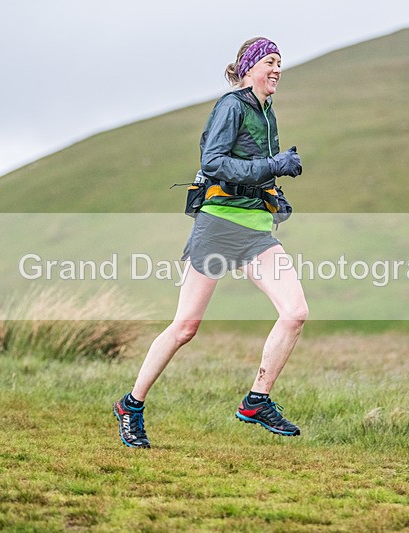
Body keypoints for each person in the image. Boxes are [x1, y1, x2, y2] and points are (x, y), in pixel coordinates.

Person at [113, 37, 308, 448]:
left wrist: (273, 188)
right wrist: (273, 165)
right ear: (249, 66)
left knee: (295, 313)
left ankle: (257, 400)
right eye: (270, 61)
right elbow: (213, 163)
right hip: (217, 226)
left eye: (280, 63)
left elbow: (250, 168)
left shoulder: (267, 111)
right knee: (185, 327)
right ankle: (131, 405)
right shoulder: (232, 105)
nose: (277, 70)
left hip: (255, 230)